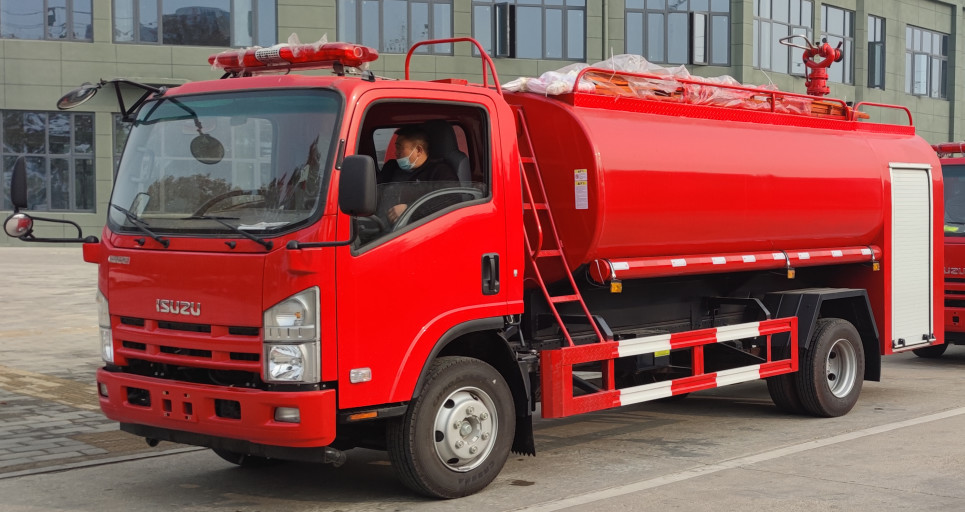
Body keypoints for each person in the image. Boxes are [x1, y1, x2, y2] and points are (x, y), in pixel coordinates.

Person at [379, 125, 459, 224]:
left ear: (418, 150)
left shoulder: (440, 171)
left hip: (416, 228)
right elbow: (375, 193)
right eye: (396, 148)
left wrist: (410, 210)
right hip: (380, 224)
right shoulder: (391, 167)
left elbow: (451, 199)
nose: (396, 153)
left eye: (400, 148)